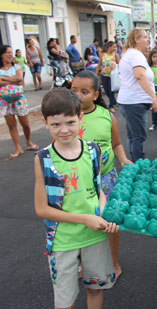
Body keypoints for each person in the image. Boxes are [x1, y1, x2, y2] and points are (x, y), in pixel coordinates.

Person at [34, 88, 119, 308]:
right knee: (65, 300)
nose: (64, 130)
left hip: (95, 236)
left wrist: (104, 212)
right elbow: (42, 209)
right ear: (45, 123)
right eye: (55, 124)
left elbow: (97, 189)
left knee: (95, 288)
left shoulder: (93, 150)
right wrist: (85, 219)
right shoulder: (43, 158)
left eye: (70, 122)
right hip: (63, 241)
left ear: (80, 118)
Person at [71, 70, 132, 279]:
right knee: (81, 223)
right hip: (77, 183)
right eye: (73, 90)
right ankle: (82, 263)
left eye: (84, 91)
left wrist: (123, 160)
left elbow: (116, 144)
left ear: (96, 95)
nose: (77, 95)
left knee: (110, 224)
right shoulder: (68, 118)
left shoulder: (107, 116)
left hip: (106, 179)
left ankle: (113, 263)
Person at [117, 28, 157, 162]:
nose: (148, 40)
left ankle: (135, 162)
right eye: (145, 37)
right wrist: (154, 97)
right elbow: (140, 76)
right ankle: (138, 165)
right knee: (138, 137)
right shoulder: (135, 55)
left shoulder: (130, 54)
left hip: (130, 101)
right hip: (134, 102)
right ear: (136, 39)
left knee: (133, 136)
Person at [1, 44, 39, 159]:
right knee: (11, 126)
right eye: (8, 52)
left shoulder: (16, 66)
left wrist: (3, 79)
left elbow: (20, 79)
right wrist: (13, 80)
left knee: (25, 124)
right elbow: (15, 80)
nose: (10, 54)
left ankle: (28, 141)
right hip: (4, 102)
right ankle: (18, 148)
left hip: (18, 100)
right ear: (1, 54)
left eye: (11, 52)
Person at [96, 41, 120, 111]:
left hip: (112, 76)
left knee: (110, 90)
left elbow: (120, 65)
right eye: (114, 47)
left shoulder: (116, 55)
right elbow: (99, 65)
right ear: (109, 47)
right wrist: (96, 73)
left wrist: (115, 66)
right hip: (104, 75)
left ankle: (111, 105)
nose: (116, 48)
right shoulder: (102, 55)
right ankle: (114, 102)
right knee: (106, 90)